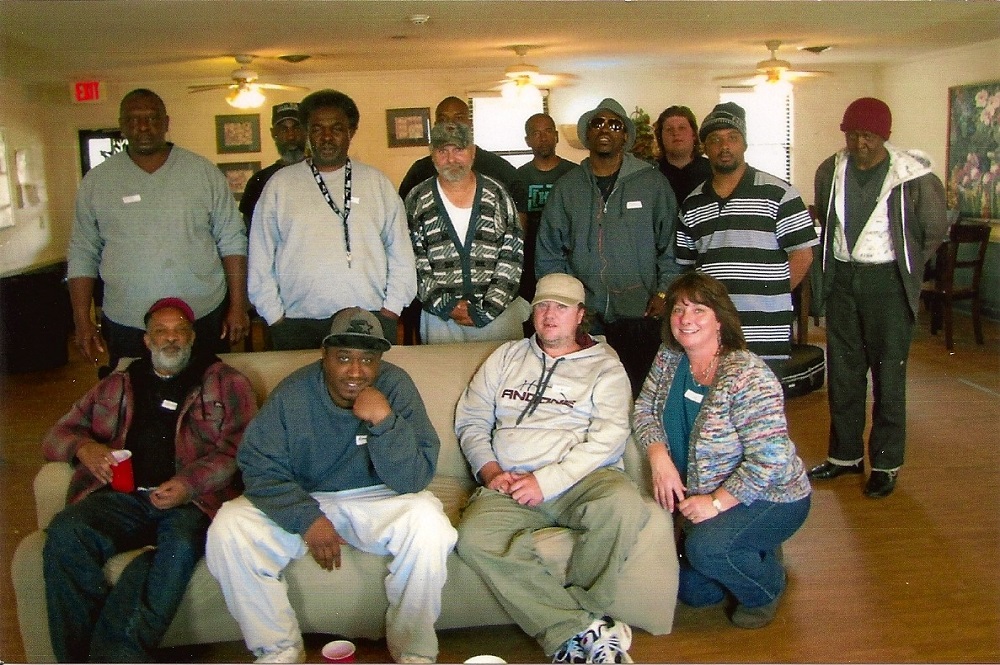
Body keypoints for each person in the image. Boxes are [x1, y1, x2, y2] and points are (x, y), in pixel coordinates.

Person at [206, 307, 456, 664]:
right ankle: (278, 651)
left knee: (431, 525)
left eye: (367, 359)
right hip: (306, 494)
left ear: (380, 362)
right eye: (343, 358)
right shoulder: (294, 391)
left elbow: (414, 479)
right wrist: (307, 519)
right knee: (229, 526)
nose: (356, 371)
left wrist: (385, 422)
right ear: (324, 356)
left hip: (376, 496)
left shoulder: (395, 385)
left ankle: (414, 652)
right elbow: (258, 464)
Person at [41, 297, 256, 662]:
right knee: (66, 533)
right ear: (147, 340)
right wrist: (83, 447)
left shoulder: (225, 382)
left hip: (192, 503)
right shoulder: (118, 384)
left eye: (179, 332)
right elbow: (55, 437)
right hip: (124, 496)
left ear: (192, 338)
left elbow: (241, 449)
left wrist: (189, 484)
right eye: (161, 331)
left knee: (176, 549)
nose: (170, 339)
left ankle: (116, 657)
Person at [455, 272, 648, 664]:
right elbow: (471, 419)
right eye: (542, 305)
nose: (549, 315)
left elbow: (610, 435)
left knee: (624, 505)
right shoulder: (506, 356)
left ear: (580, 315)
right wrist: (490, 471)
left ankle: (577, 621)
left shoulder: (605, 365)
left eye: (561, 306)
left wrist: (546, 481)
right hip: (507, 482)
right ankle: (584, 630)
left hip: (581, 479)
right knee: (473, 536)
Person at [633, 272, 811, 630]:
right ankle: (754, 547)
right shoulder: (670, 357)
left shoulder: (747, 375)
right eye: (679, 309)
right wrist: (658, 456)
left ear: (719, 320)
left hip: (772, 497)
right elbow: (644, 410)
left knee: (706, 550)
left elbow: (771, 459)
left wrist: (714, 503)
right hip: (711, 496)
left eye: (699, 310)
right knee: (695, 592)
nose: (686, 319)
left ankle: (767, 587)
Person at [808, 97, 949, 498]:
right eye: (852, 134)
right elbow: (826, 218)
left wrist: (904, 266)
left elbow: (933, 230)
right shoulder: (829, 170)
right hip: (843, 280)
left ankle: (886, 463)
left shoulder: (914, 175)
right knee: (844, 372)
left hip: (887, 282)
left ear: (884, 136)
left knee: (889, 374)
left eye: (868, 135)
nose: (859, 143)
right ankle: (845, 456)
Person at [68, 88, 250, 373]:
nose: (143, 127)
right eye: (134, 119)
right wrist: (82, 319)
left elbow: (232, 240)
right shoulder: (97, 182)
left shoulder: (202, 172)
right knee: (134, 399)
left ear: (166, 122)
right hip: (129, 320)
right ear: (122, 125)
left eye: (152, 118)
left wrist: (238, 305)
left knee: (208, 392)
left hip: (202, 314)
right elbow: (82, 251)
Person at [248, 89, 416, 350]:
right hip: (296, 324)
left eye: (336, 128)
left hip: (369, 319)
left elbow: (401, 254)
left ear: (351, 131)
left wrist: (390, 311)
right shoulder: (280, 185)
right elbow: (260, 257)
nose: (326, 137)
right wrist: (275, 318)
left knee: (366, 392)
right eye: (317, 129)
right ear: (306, 132)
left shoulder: (377, 183)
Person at [536, 97, 681, 397]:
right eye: (597, 123)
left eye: (614, 124)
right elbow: (549, 251)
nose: (605, 130)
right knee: (587, 395)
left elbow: (672, 245)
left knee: (643, 394)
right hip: (585, 317)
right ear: (587, 134)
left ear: (625, 136)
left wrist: (665, 292)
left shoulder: (651, 183)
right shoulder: (568, 187)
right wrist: (567, 303)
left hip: (639, 315)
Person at [676, 101, 818, 361]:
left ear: (744, 144)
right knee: (713, 397)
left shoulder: (779, 193)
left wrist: (772, 294)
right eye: (715, 140)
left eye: (733, 137)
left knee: (764, 398)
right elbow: (686, 268)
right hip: (712, 327)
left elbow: (803, 254)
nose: (725, 146)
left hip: (766, 327)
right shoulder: (693, 203)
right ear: (705, 148)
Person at [405, 122, 529, 344]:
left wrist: (490, 308)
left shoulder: (497, 194)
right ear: (432, 155)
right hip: (440, 320)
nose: (451, 159)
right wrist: (446, 306)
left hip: (497, 317)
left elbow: (512, 256)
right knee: (443, 377)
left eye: (459, 150)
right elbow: (412, 259)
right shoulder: (417, 199)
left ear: (472, 152)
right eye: (443, 151)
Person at [397, 96, 527, 213]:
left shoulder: (498, 168)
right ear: (436, 126)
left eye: (459, 118)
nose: (451, 124)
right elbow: (401, 215)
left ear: (469, 124)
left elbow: (519, 214)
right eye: (443, 119)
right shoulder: (419, 171)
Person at [515, 113, 577, 304]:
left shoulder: (574, 174)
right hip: (531, 258)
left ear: (556, 136)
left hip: (569, 253)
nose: (543, 138)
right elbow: (519, 225)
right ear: (527, 141)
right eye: (536, 133)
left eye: (548, 131)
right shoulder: (519, 177)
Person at [239, 102, 307, 228]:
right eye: (283, 129)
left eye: (296, 128)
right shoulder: (259, 181)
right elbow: (250, 229)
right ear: (273, 133)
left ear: (306, 131)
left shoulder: (322, 173)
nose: (291, 135)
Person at [653, 105, 712, 203]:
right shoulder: (651, 175)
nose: (676, 133)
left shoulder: (712, 172)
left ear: (693, 134)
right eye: (669, 129)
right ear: (660, 137)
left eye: (682, 128)